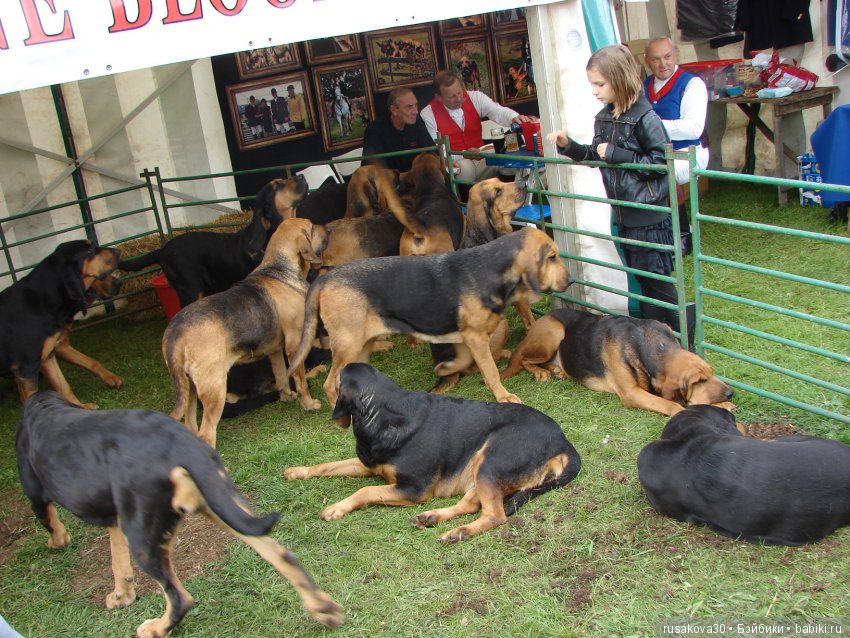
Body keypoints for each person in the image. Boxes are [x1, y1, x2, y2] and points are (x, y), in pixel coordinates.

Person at [547, 44, 692, 342]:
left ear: (619, 79)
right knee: (643, 280)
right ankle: (659, 341)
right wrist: (568, 146)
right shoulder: (604, 117)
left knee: (658, 283)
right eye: (592, 84)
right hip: (624, 213)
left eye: (599, 84)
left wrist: (617, 153)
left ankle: (686, 339)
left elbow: (661, 163)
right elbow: (595, 154)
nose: (594, 91)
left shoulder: (645, 118)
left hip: (649, 215)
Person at [644, 36, 709, 255]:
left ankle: (683, 234)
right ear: (647, 61)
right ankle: (653, 231)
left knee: (664, 173)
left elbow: (694, 128)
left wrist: (653, 127)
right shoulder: (644, 86)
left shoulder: (692, 84)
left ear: (675, 55)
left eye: (667, 57)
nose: (663, 64)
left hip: (689, 152)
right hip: (656, 153)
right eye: (656, 59)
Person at [420, 70, 537, 182]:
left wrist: (514, 117)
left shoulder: (475, 97)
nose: (459, 98)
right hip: (457, 164)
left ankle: (511, 200)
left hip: (481, 158)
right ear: (439, 97)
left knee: (506, 161)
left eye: (459, 92)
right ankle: (467, 202)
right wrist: (463, 155)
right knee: (466, 168)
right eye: (452, 96)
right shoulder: (428, 114)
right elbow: (440, 152)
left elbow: (497, 111)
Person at [362, 88, 434, 173]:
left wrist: (446, 162)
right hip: (389, 184)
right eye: (409, 107)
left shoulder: (417, 122)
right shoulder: (375, 129)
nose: (416, 111)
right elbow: (375, 171)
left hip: (416, 180)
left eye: (416, 105)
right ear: (394, 110)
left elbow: (432, 153)